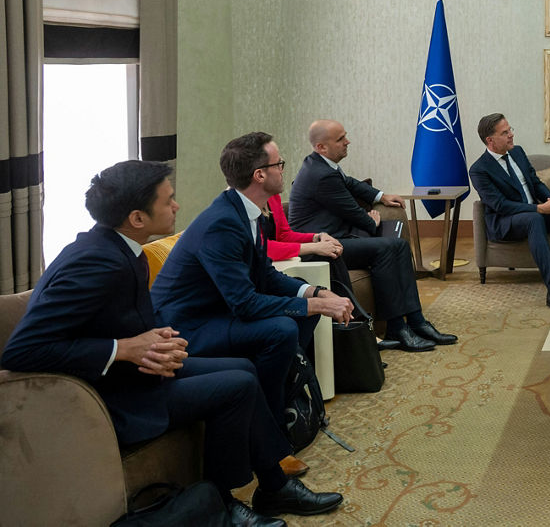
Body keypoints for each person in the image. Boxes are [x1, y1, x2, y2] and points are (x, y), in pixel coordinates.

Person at [1, 161, 342, 526]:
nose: (177, 207)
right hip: (110, 397)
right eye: (169, 200)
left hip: (138, 373)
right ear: (137, 217)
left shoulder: (118, 248)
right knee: (238, 383)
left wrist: (158, 338)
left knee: (244, 369)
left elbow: (119, 320)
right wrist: (123, 349)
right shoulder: (94, 263)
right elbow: (22, 350)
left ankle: (273, 486)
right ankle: (225, 503)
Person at [150, 132, 354, 439]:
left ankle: (278, 399)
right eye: (279, 163)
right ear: (260, 175)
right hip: (186, 327)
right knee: (283, 328)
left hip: (217, 312)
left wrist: (316, 293)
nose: (284, 169)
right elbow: (244, 302)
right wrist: (319, 304)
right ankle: (270, 427)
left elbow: (266, 276)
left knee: (301, 308)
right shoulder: (223, 222)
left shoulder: (247, 213)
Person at [287, 119, 457, 352]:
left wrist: (381, 195)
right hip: (320, 248)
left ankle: (416, 321)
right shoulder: (320, 175)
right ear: (321, 147)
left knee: (398, 246)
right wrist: (372, 221)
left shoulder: (322, 165)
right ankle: (398, 326)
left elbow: (350, 183)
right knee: (389, 248)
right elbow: (358, 216)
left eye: (345, 136)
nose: (348, 142)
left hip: (337, 239)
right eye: (340, 139)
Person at [468, 113, 550, 310]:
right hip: (505, 222)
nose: (511, 135)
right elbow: (500, 205)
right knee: (533, 218)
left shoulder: (518, 153)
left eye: (510, 129)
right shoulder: (479, 169)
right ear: (490, 140)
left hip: (533, 214)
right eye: (505, 132)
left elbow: (535, 183)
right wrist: (539, 208)